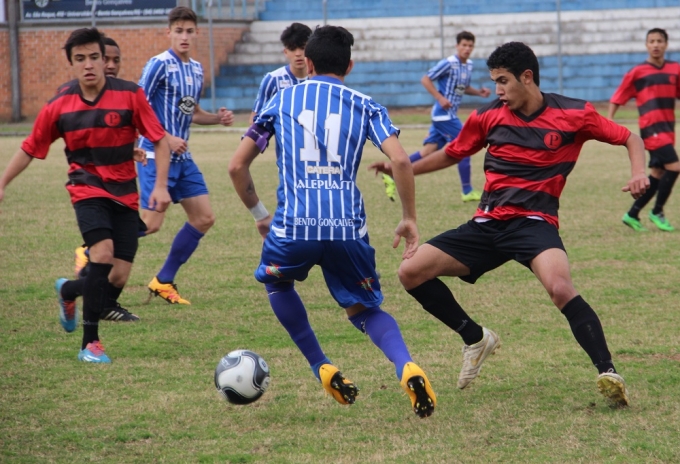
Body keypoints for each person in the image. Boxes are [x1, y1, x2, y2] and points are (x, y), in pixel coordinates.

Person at [370, 41, 649, 407]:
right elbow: (452, 153)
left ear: (527, 77)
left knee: (561, 288)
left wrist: (639, 172)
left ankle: (608, 372)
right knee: (411, 272)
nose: (498, 90)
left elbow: (629, 137)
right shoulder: (488, 116)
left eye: (503, 81)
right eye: (495, 82)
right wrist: (401, 167)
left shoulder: (574, 113)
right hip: (487, 224)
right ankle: (475, 337)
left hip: (535, 223)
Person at [229, 25, 436, 418]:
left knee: (277, 281)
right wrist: (408, 217)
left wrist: (260, 216)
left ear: (306, 62)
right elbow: (402, 160)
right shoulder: (366, 104)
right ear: (350, 65)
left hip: (293, 225)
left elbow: (237, 165)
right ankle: (405, 365)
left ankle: (320, 364)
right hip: (347, 227)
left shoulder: (280, 99)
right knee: (364, 309)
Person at [0, 28, 171, 363]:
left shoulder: (130, 95)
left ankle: (68, 290)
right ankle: (90, 345)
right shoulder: (59, 105)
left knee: (116, 275)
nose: (90, 65)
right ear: (72, 64)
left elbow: (160, 140)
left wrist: (161, 186)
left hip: (125, 193)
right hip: (86, 188)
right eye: (81, 59)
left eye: (95, 57)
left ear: (104, 59)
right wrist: (3, 181)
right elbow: (30, 148)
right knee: (102, 254)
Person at [137, 6, 235, 305]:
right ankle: (91, 251)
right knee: (151, 225)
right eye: (178, 30)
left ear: (196, 34)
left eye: (189, 31)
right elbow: (136, 106)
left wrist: (217, 119)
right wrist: (165, 137)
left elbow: (190, 113)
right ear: (169, 33)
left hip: (183, 158)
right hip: (155, 155)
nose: (184, 36)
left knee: (204, 217)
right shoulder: (158, 65)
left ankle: (163, 281)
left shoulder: (196, 69)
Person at [73, 35, 146, 322]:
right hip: (92, 189)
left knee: (121, 267)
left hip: (124, 188)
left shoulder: (124, 95)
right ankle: (91, 304)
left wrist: (131, 151)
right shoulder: (83, 96)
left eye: (116, 60)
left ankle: (101, 300)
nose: (111, 65)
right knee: (108, 254)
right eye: (107, 59)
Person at [381, 31, 491, 202]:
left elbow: (460, 88)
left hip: (449, 114)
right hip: (443, 115)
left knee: (428, 151)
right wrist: (440, 98)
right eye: (464, 45)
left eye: (470, 46)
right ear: (457, 46)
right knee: (466, 144)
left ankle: (392, 172)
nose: (467, 49)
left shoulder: (468, 65)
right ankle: (467, 191)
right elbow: (426, 79)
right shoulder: (448, 63)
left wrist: (478, 93)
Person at [609, 27, 680, 232]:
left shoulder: (675, 69)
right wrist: (610, 120)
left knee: (657, 173)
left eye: (659, 41)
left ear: (666, 44)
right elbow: (618, 96)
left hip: (668, 128)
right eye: (651, 41)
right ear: (646, 45)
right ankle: (657, 211)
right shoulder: (638, 72)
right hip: (651, 128)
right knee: (674, 167)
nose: (655, 44)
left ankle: (632, 214)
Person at [249, 22, 312, 125]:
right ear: (285, 52)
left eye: (302, 48)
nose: (298, 54)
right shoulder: (273, 79)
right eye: (292, 49)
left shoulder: (319, 80)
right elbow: (255, 118)